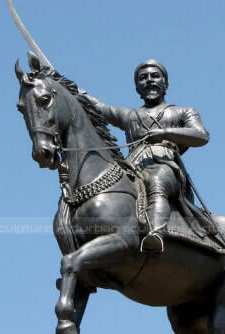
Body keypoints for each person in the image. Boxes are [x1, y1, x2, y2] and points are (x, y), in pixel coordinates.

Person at [84, 60, 210, 253]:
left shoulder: (183, 112)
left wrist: (165, 133)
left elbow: (201, 135)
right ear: (137, 88)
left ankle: (155, 235)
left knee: (157, 180)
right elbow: (99, 107)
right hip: (132, 168)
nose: (149, 81)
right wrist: (71, 90)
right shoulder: (129, 115)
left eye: (154, 76)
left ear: (165, 83)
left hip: (166, 166)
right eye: (143, 78)